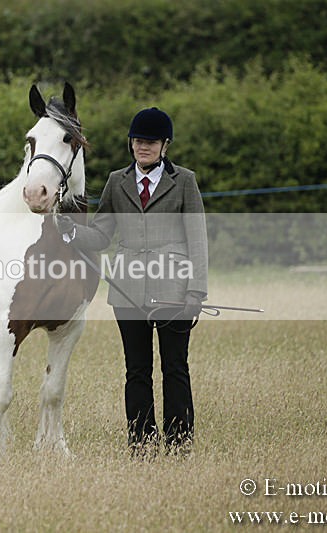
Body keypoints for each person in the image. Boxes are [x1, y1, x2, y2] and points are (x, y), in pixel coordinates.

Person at [57, 107, 208, 456]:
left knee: (175, 368)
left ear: (164, 145)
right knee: (136, 370)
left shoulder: (184, 181)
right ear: (131, 142)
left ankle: (179, 442)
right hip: (127, 291)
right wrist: (70, 232)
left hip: (173, 287)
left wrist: (196, 292)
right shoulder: (116, 181)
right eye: (139, 140)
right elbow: (101, 235)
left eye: (151, 142)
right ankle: (141, 442)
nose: (144, 147)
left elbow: (198, 239)